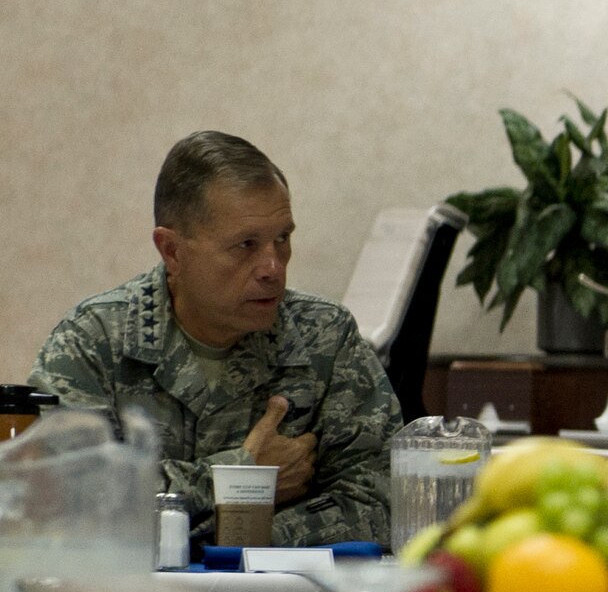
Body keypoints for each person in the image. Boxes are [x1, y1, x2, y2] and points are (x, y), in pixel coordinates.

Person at [30, 131, 399, 547]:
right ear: (171, 251)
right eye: (246, 245)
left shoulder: (325, 338)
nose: (272, 268)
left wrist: (236, 535)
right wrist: (243, 476)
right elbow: (61, 505)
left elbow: (385, 502)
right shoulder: (93, 341)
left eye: (283, 238)